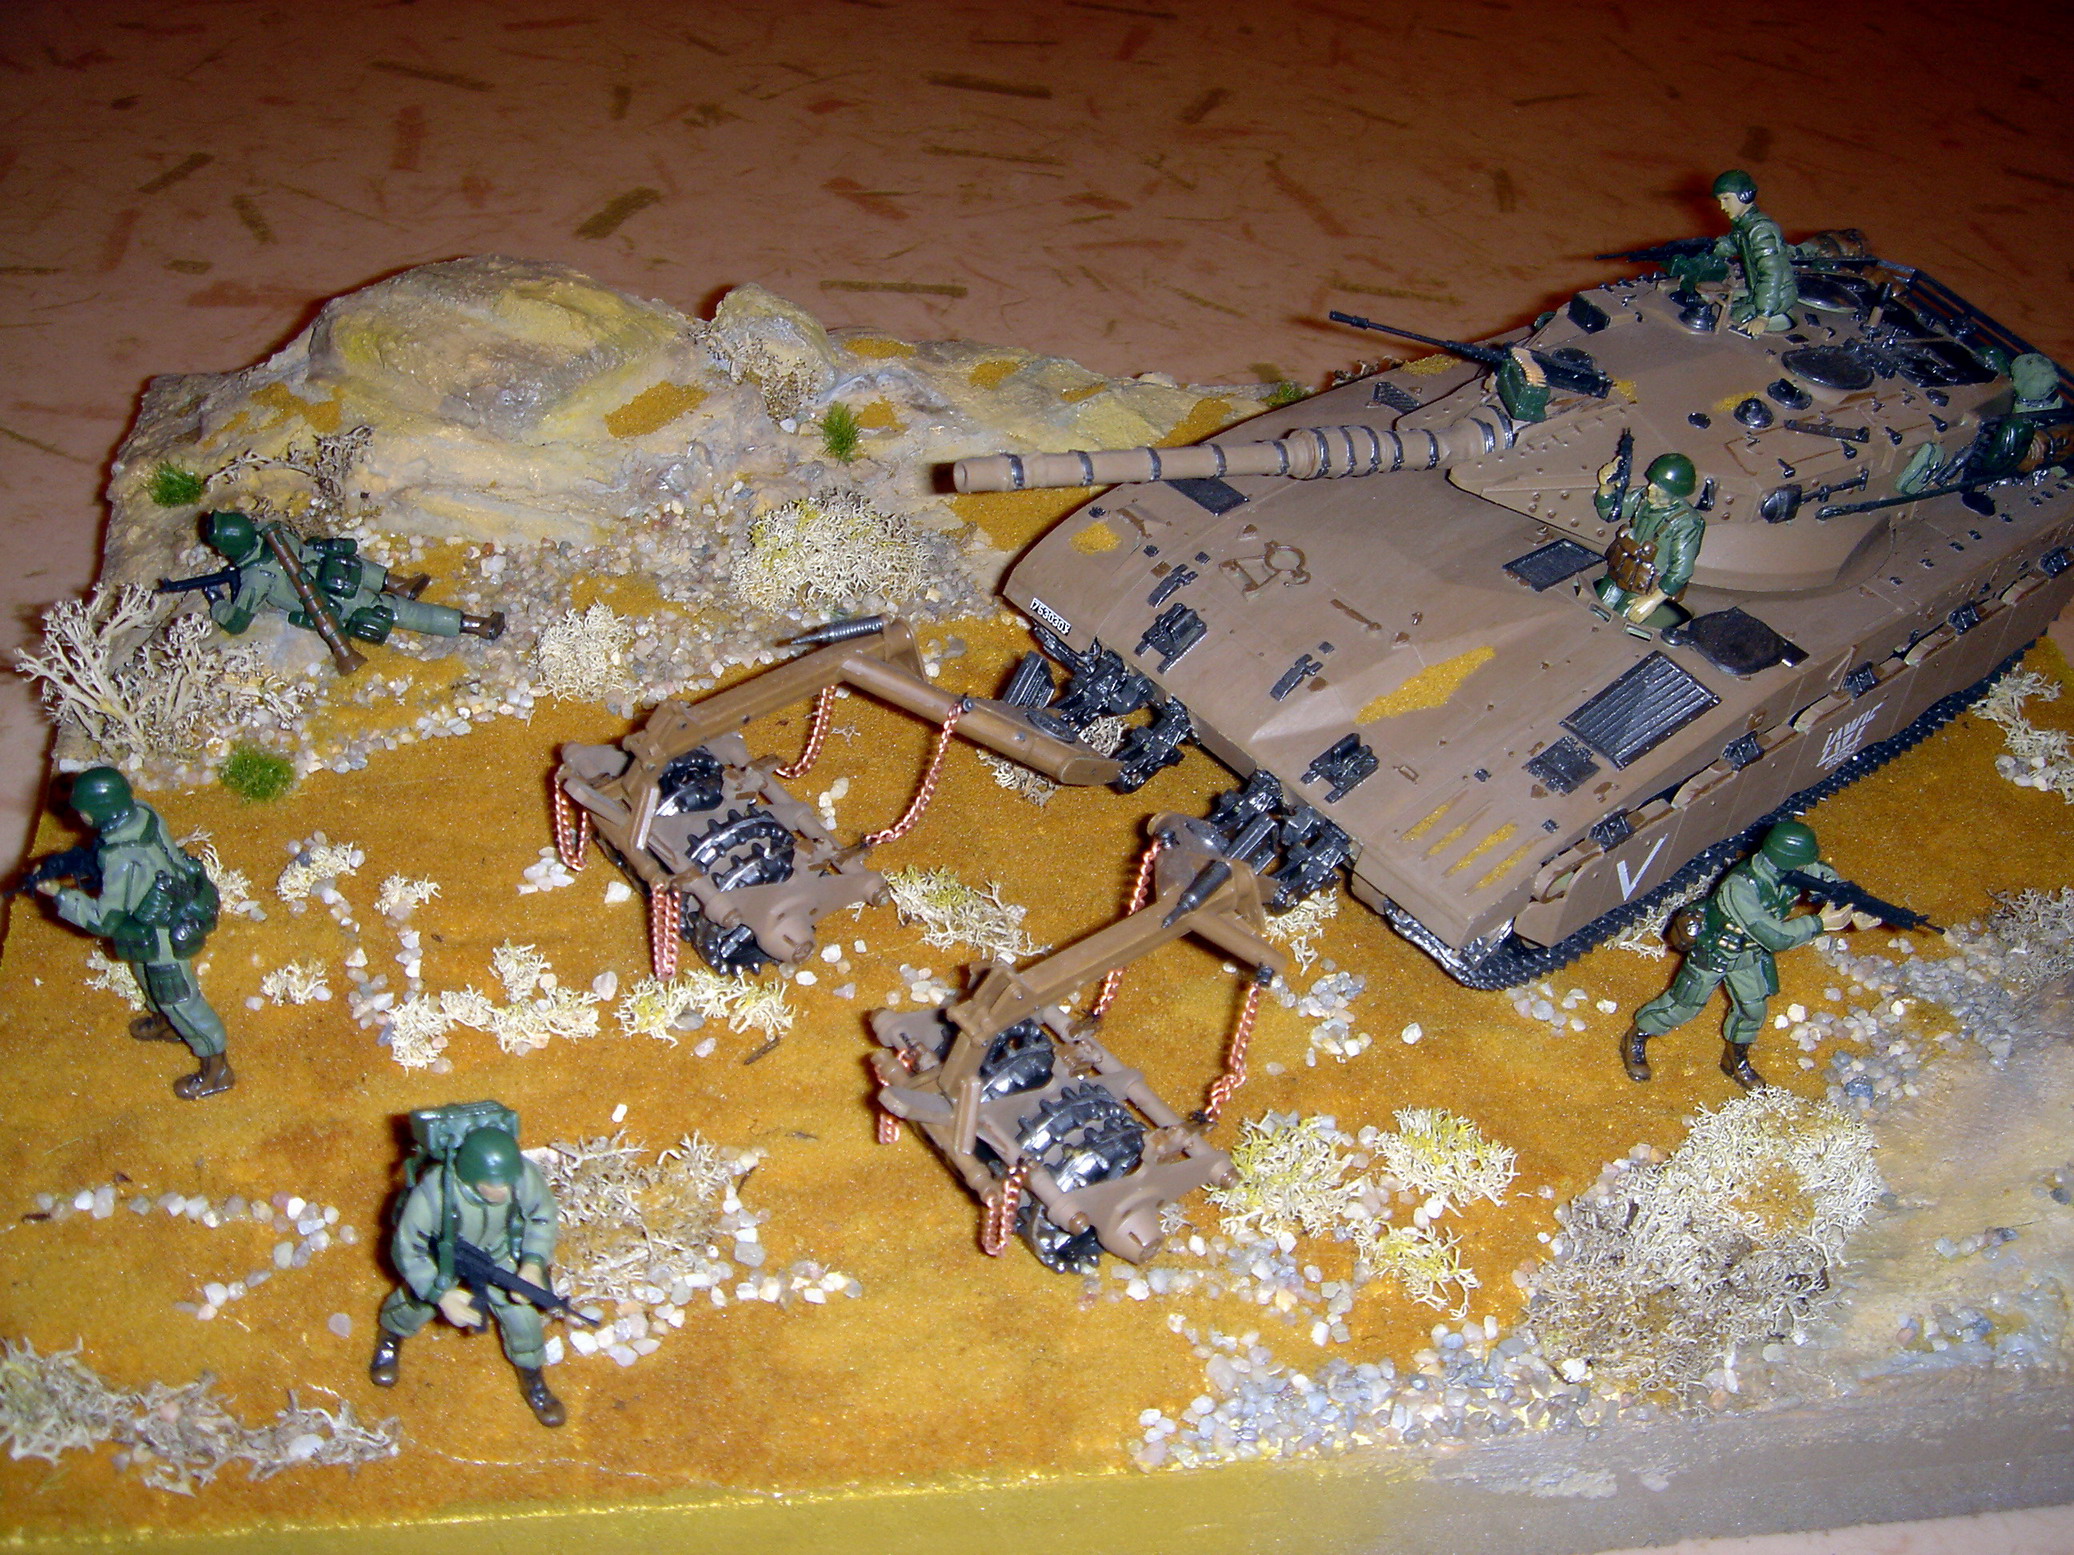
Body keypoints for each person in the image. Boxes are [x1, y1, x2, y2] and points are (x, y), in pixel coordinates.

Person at [1622, 821, 1871, 1090]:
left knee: (1753, 1010)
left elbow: (1823, 876)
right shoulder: (1740, 887)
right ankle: (1636, 1037)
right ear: (1785, 858)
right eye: (1801, 861)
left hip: (1749, 956)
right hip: (1715, 951)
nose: (1805, 866)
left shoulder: (1793, 869)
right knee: (1682, 1006)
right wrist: (1819, 923)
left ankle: (1734, 1061)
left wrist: (1852, 903)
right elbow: (1774, 936)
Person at [37, 767, 232, 1098]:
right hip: (147, 921)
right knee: (145, 975)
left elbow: (103, 920)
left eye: (84, 810)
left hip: (163, 931)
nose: (81, 817)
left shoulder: (121, 857)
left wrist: (61, 895)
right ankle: (167, 1024)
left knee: (179, 1000)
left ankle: (217, 1068)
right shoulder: (142, 813)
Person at [371, 1117, 567, 1428]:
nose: (506, 1190)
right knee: (415, 1304)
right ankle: (390, 1340)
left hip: (499, 1253)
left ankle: (533, 1380)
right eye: (497, 1185)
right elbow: (408, 1249)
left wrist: (531, 1264)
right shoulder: (435, 1193)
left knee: (523, 1317)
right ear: (473, 1176)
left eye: (509, 1182)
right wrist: (441, 1294)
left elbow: (542, 1216)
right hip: (442, 1257)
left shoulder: (521, 1176)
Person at [198, 510, 503, 646]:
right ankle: (402, 585)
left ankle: (476, 625)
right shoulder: (274, 535)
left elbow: (237, 622)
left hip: (332, 596)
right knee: (362, 573)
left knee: (397, 612)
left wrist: (217, 604)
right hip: (338, 575)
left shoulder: (256, 577)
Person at [1594, 451, 1705, 628]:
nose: (1650, 488)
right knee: (1593, 608)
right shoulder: (1643, 499)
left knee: (1618, 625)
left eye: (1659, 487)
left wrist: (1653, 600)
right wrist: (1605, 486)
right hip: (1620, 570)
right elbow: (1610, 512)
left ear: (1675, 492)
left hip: (1646, 585)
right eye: (1652, 483)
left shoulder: (1686, 523)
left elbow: (1681, 570)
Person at [1709, 169, 1799, 336]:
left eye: (1726, 199)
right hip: (1757, 292)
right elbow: (1732, 245)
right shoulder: (1745, 225)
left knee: (1733, 321)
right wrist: (1709, 248)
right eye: (1720, 201)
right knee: (1722, 310)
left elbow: (1772, 273)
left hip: (1778, 297)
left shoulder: (1760, 230)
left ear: (1745, 195)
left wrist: (1763, 316)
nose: (1722, 207)